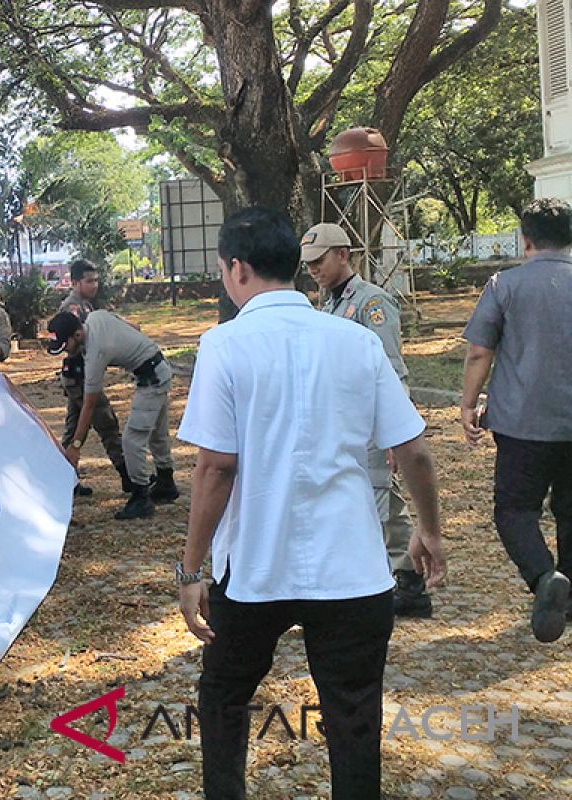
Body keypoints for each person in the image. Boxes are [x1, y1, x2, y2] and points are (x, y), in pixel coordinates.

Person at [176, 207, 446, 800]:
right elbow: (415, 450)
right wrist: (429, 529)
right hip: (351, 569)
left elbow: (216, 467)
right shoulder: (355, 341)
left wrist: (191, 570)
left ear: (236, 268)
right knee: (353, 717)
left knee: (224, 696)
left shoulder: (223, 345)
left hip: (252, 571)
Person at [301, 222, 432, 619]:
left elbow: (393, 371)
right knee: (387, 503)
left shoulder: (372, 303)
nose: (312, 270)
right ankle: (410, 582)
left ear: (344, 254)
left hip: (372, 422)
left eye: (318, 260)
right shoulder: (329, 304)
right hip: (345, 423)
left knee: (370, 505)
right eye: (306, 264)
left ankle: (365, 591)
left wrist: (397, 435)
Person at [461, 197, 572, 643]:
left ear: (524, 238)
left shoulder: (503, 286)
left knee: (514, 510)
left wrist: (468, 403)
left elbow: (478, 351)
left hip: (521, 423)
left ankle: (544, 578)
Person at [47, 308, 179, 520]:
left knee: (132, 440)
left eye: (66, 345)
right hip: (158, 367)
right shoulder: (96, 316)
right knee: (156, 432)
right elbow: (134, 328)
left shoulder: (95, 354)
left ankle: (140, 496)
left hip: (151, 379)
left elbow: (89, 405)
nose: (65, 352)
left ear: (78, 335)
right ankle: (166, 482)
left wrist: (76, 446)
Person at [56, 259, 130, 498]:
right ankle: (128, 475)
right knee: (106, 423)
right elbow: (75, 345)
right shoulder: (73, 309)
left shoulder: (86, 306)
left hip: (81, 373)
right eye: (89, 281)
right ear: (75, 282)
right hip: (80, 374)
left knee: (73, 429)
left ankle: (65, 478)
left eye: (96, 280)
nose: (94, 285)